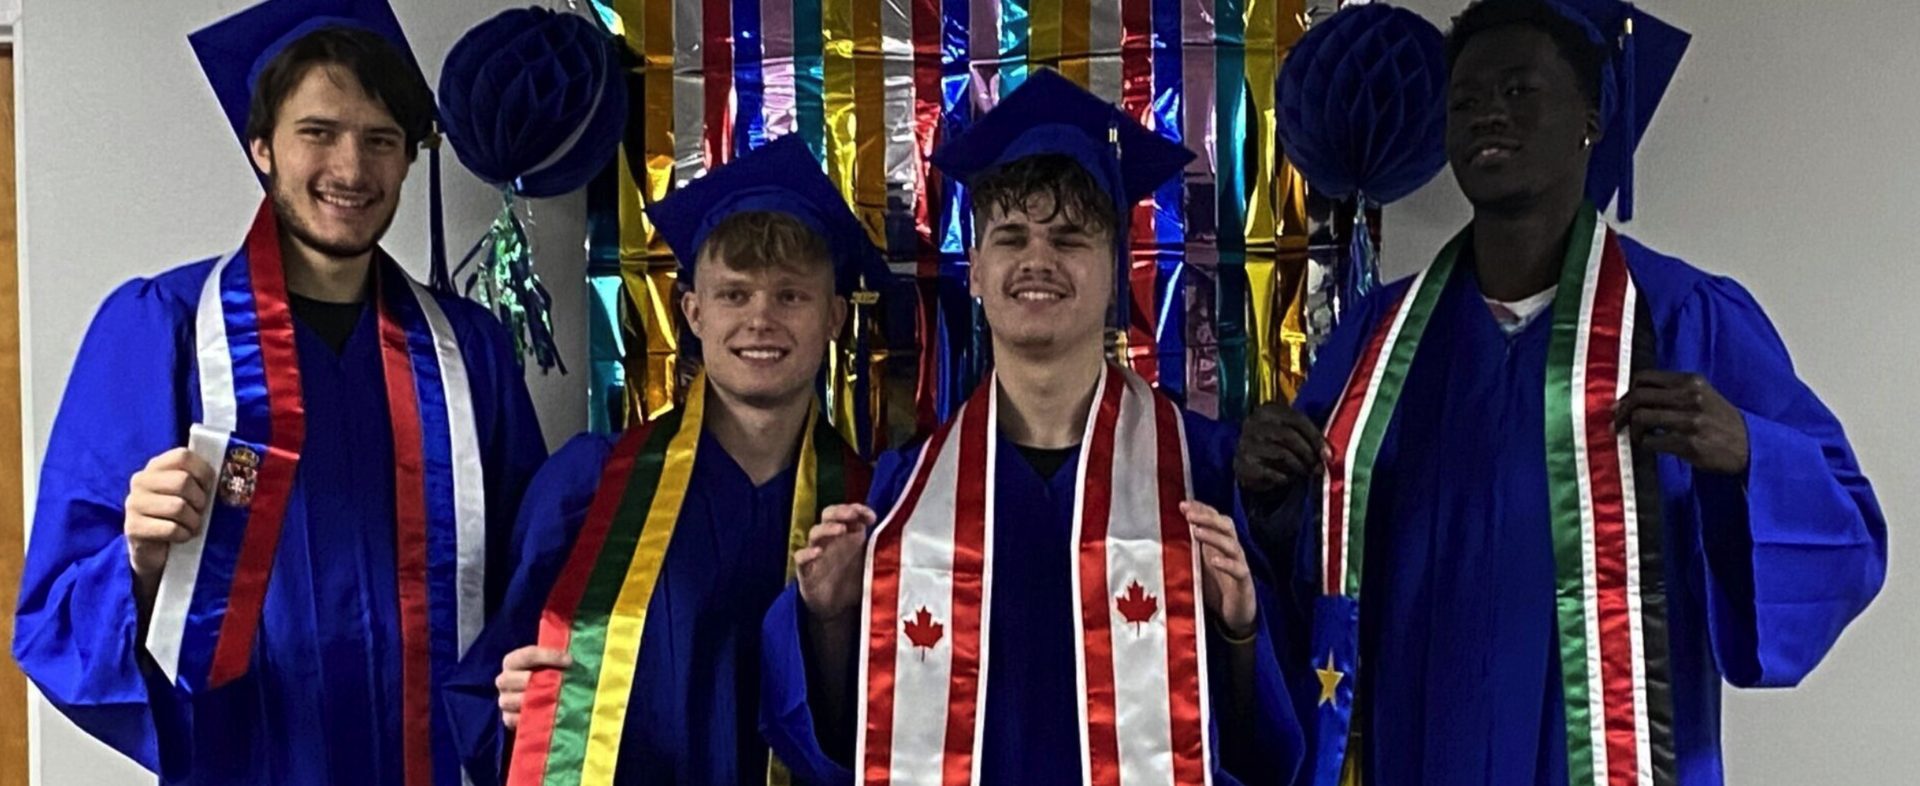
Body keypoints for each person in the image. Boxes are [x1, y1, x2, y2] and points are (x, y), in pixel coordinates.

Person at [1234, 2, 1887, 784]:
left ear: (1591, 116)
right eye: (1467, 100)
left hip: (1604, 751)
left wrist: (1749, 453)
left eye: (1518, 91)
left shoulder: (1683, 317)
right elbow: (1308, 557)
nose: (1488, 116)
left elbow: (1847, 529)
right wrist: (1267, 492)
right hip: (1416, 743)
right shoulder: (1381, 335)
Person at [11, 2, 548, 784]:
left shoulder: (471, 352)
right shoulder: (161, 330)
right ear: (262, 147)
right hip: (253, 760)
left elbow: (529, 581)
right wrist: (138, 559)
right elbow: (54, 617)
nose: (351, 169)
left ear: (407, 161)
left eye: (381, 139)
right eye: (318, 132)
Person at [763, 69, 1302, 785]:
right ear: (978, 273)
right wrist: (828, 618)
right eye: (1010, 238)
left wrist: (1238, 626)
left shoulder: (1202, 472)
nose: (1037, 259)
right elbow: (841, 738)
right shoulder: (905, 490)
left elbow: (1262, 742)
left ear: (1115, 273)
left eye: (1071, 238)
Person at [443, 135, 886, 786]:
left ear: (834, 317)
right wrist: (514, 705)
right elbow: (491, 688)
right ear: (693, 312)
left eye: (791, 295)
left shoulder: (870, 510)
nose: (761, 318)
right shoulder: (589, 488)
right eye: (734, 294)